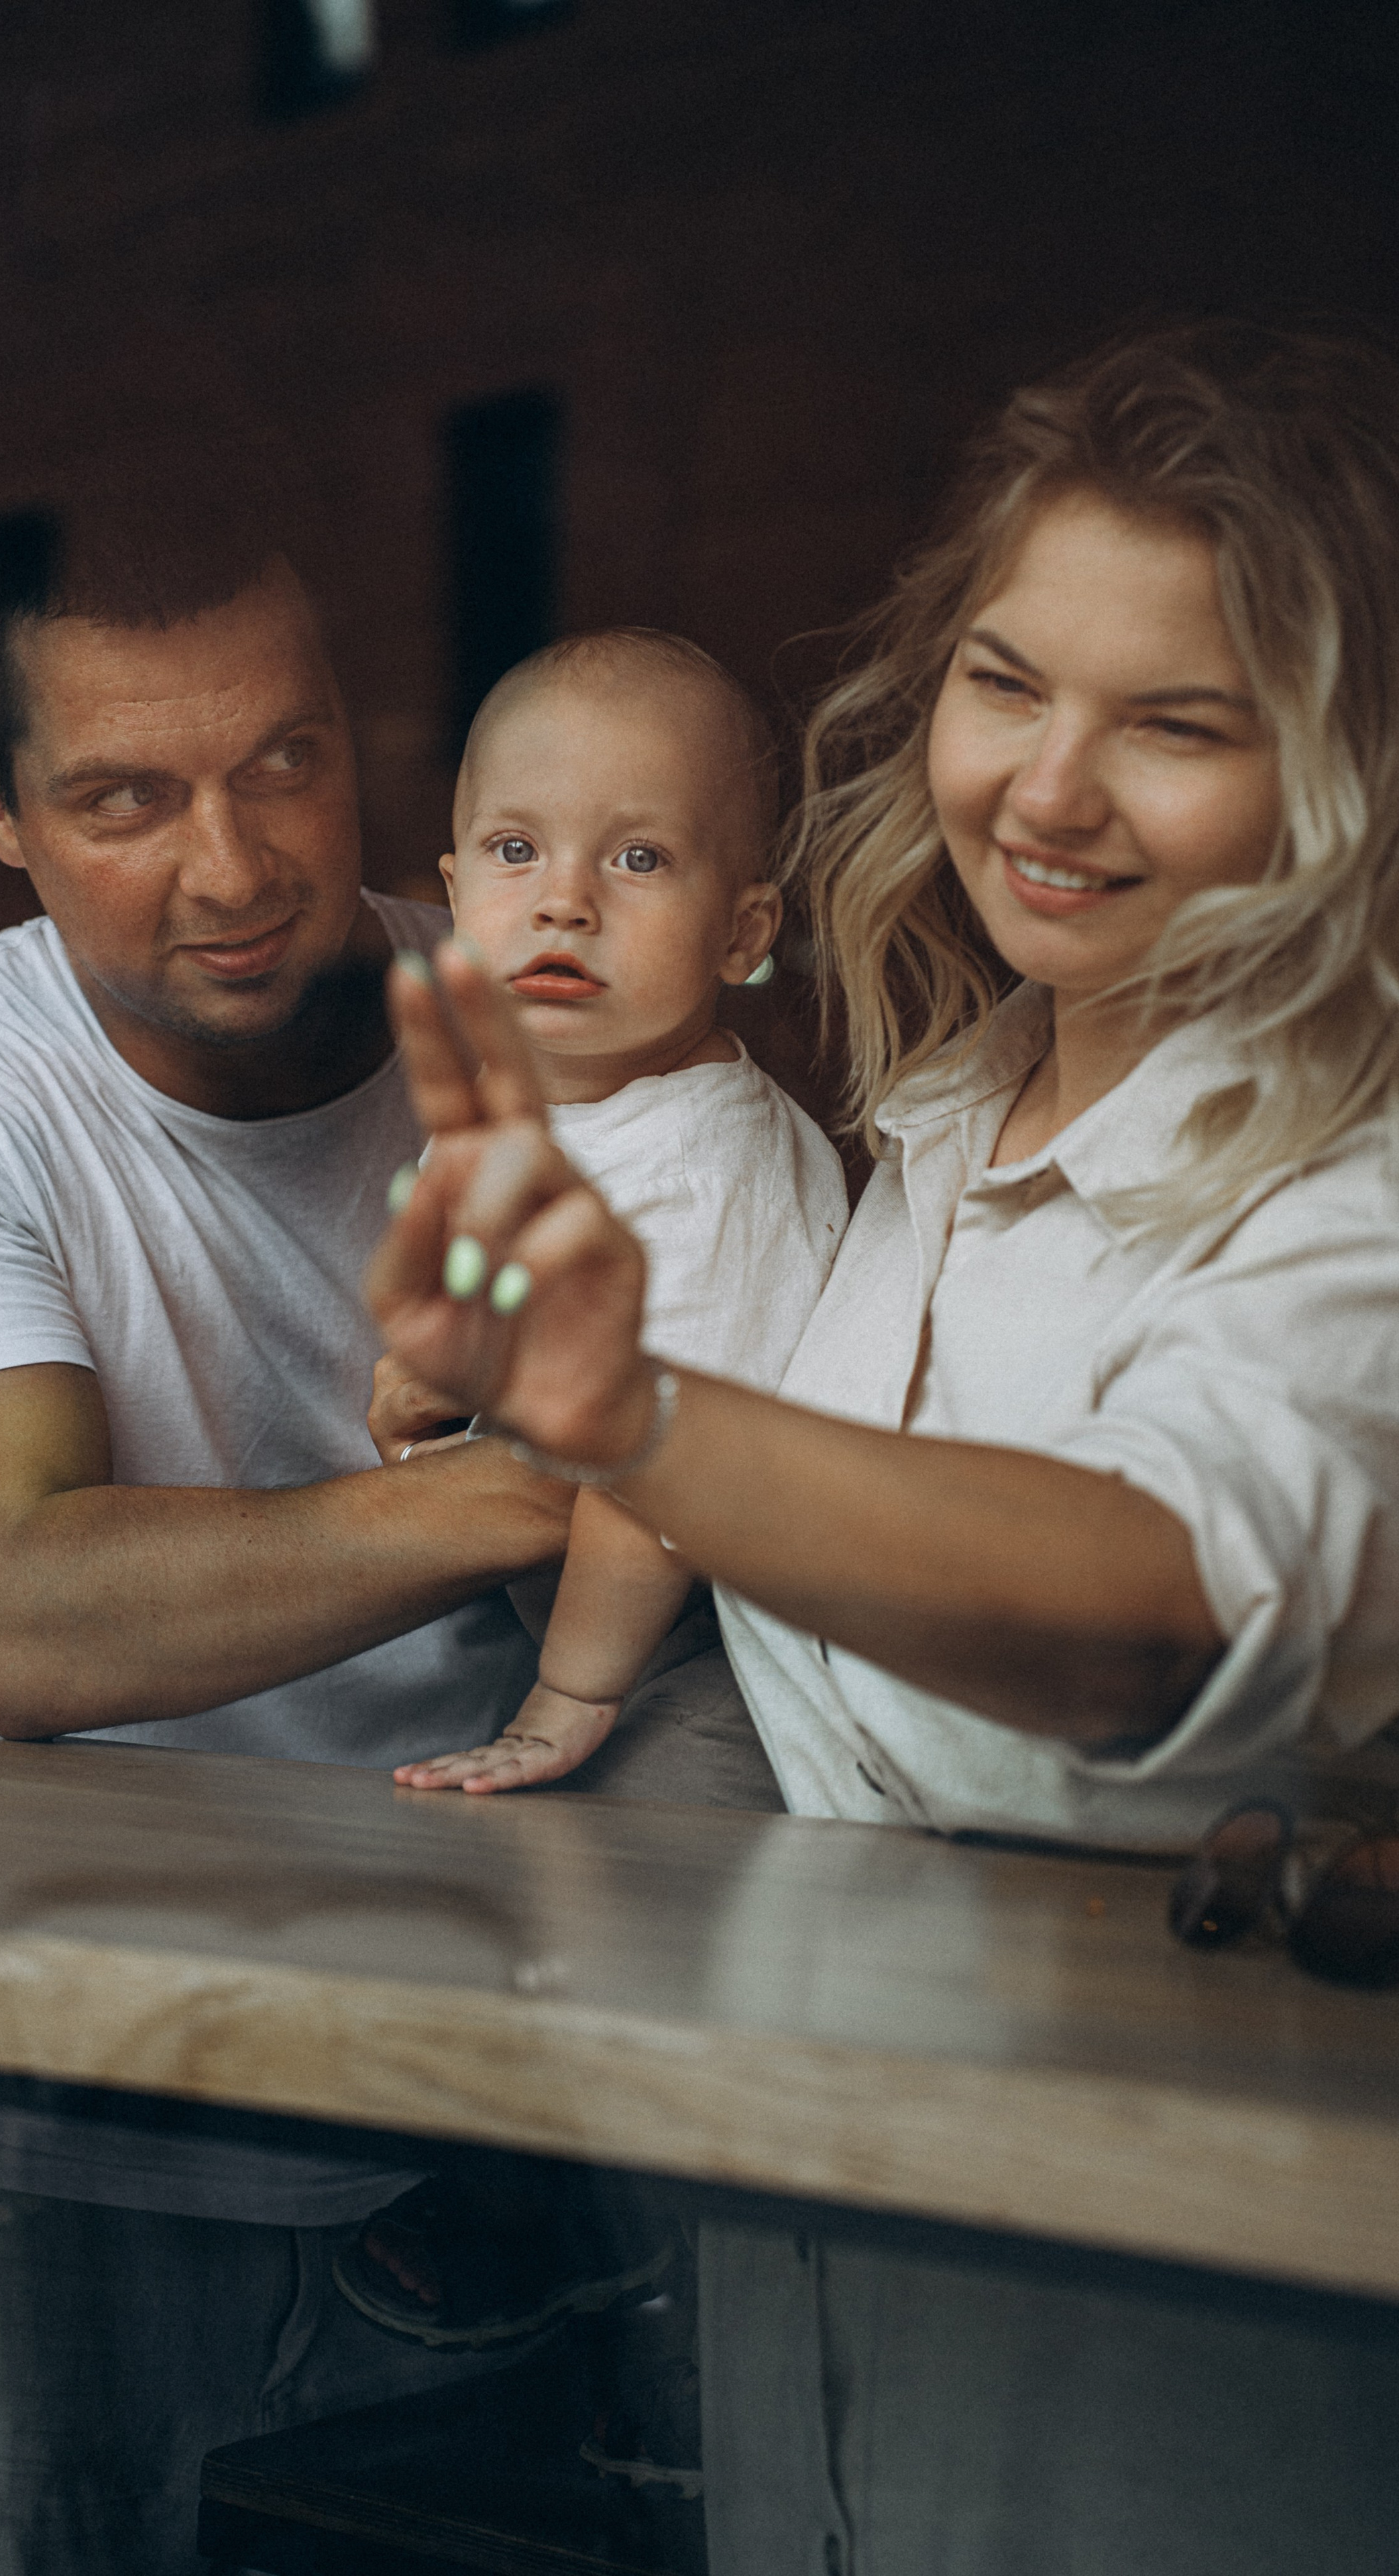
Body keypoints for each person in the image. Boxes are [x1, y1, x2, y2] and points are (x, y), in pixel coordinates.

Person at [366, 324, 1399, 2573]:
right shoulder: (931, 1112)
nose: (1049, 788)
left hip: (1170, 2317)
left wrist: (628, 1416)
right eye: (1009, 683)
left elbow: (1154, 1616)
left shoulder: (1359, 1181)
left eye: (1179, 726)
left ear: (1344, 778)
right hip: (829, 2207)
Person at [0, 475, 598, 2576]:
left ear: (358, 741)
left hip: (461, 2134)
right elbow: (25, 1616)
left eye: (282, 767)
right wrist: (546, 1484)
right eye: (130, 798)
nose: (230, 868)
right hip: (17, 2119)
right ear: (1, 807)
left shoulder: (536, 1019)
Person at [390, 629, 846, 1799]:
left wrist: (568, 1698)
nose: (564, 903)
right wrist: (421, 1423)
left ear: (745, 933)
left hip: (723, 1670)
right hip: (592, 1633)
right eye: (514, 849)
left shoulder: (706, 1167)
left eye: (638, 858)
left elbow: (657, 1478)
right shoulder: (520, 1116)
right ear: (451, 898)